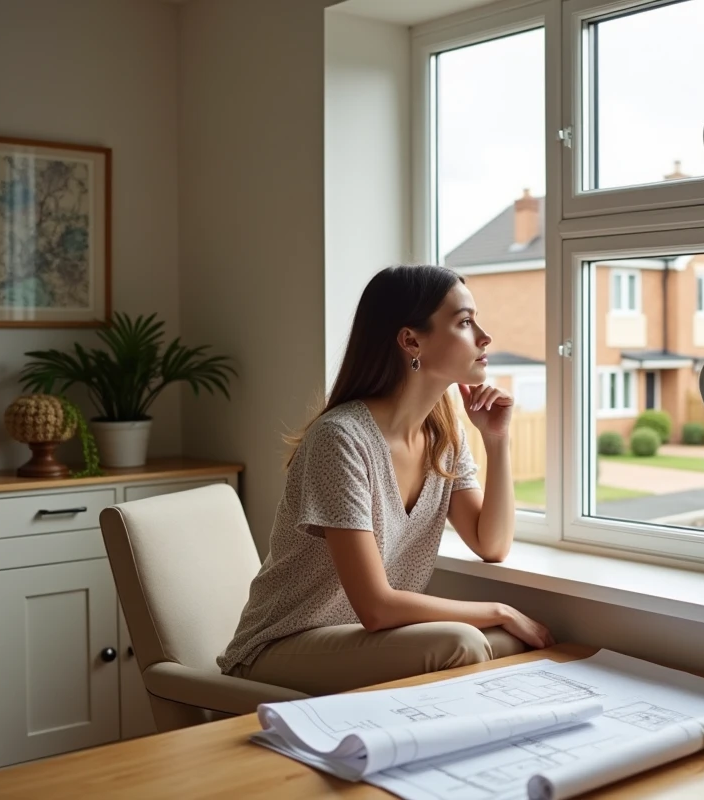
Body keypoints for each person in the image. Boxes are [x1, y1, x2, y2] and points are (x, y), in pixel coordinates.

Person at [216, 264, 556, 696]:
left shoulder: (441, 436)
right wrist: (499, 609)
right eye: (466, 322)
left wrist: (497, 441)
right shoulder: (341, 439)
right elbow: (376, 607)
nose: (484, 336)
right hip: (281, 645)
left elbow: (492, 544)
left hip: (361, 640)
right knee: (467, 641)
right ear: (411, 340)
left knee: (508, 643)